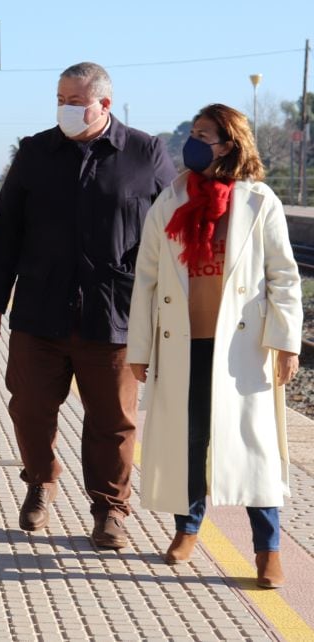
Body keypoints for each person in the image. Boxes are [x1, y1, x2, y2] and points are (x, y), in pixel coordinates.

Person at [0, 62, 177, 549]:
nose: (65, 108)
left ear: (104, 104)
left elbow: (172, 228)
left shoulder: (145, 152)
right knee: (28, 407)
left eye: (75, 100)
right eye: (60, 99)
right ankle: (40, 482)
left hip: (115, 314)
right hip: (40, 310)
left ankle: (109, 508)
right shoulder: (35, 152)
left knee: (113, 420)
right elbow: (5, 229)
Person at [127, 104, 302, 587]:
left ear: (228, 144)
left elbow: (283, 277)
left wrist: (286, 343)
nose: (193, 140)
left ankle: (268, 550)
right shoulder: (172, 197)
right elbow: (146, 278)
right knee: (191, 441)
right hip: (182, 345)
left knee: (254, 446)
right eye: (194, 132)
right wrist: (140, 349)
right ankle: (188, 528)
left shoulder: (258, 200)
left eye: (204, 134)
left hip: (242, 349)